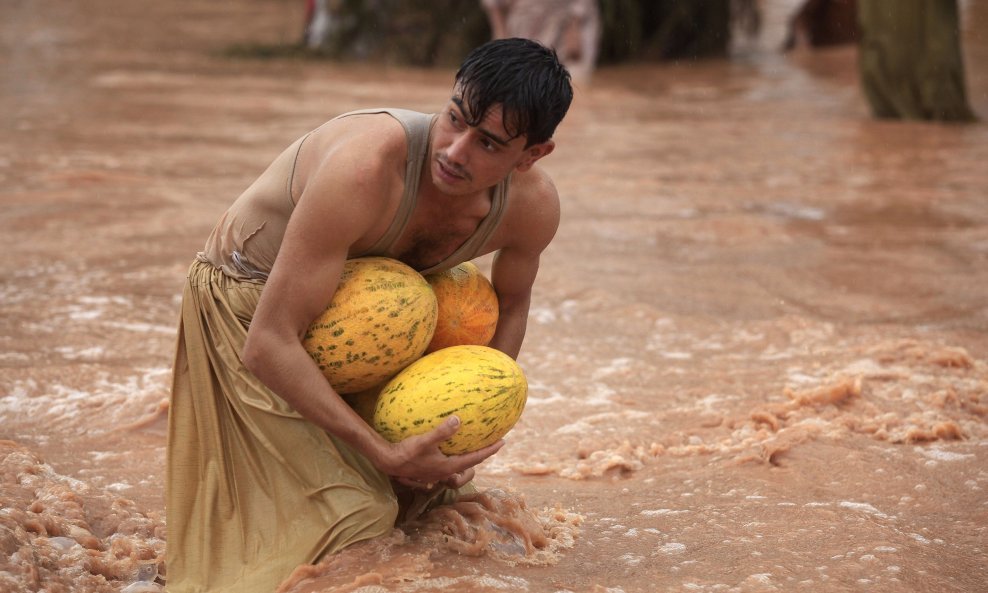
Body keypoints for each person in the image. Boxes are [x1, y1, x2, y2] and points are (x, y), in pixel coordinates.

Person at [165, 38, 573, 593]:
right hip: (249, 306)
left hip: (370, 307)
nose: (455, 151)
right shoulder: (364, 171)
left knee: (439, 507)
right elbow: (268, 344)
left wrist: (460, 432)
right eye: (454, 119)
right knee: (353, 523)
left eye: (489, 143)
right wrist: (381, 450)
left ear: (531, 155)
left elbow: (514, 301)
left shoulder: (533, 207)